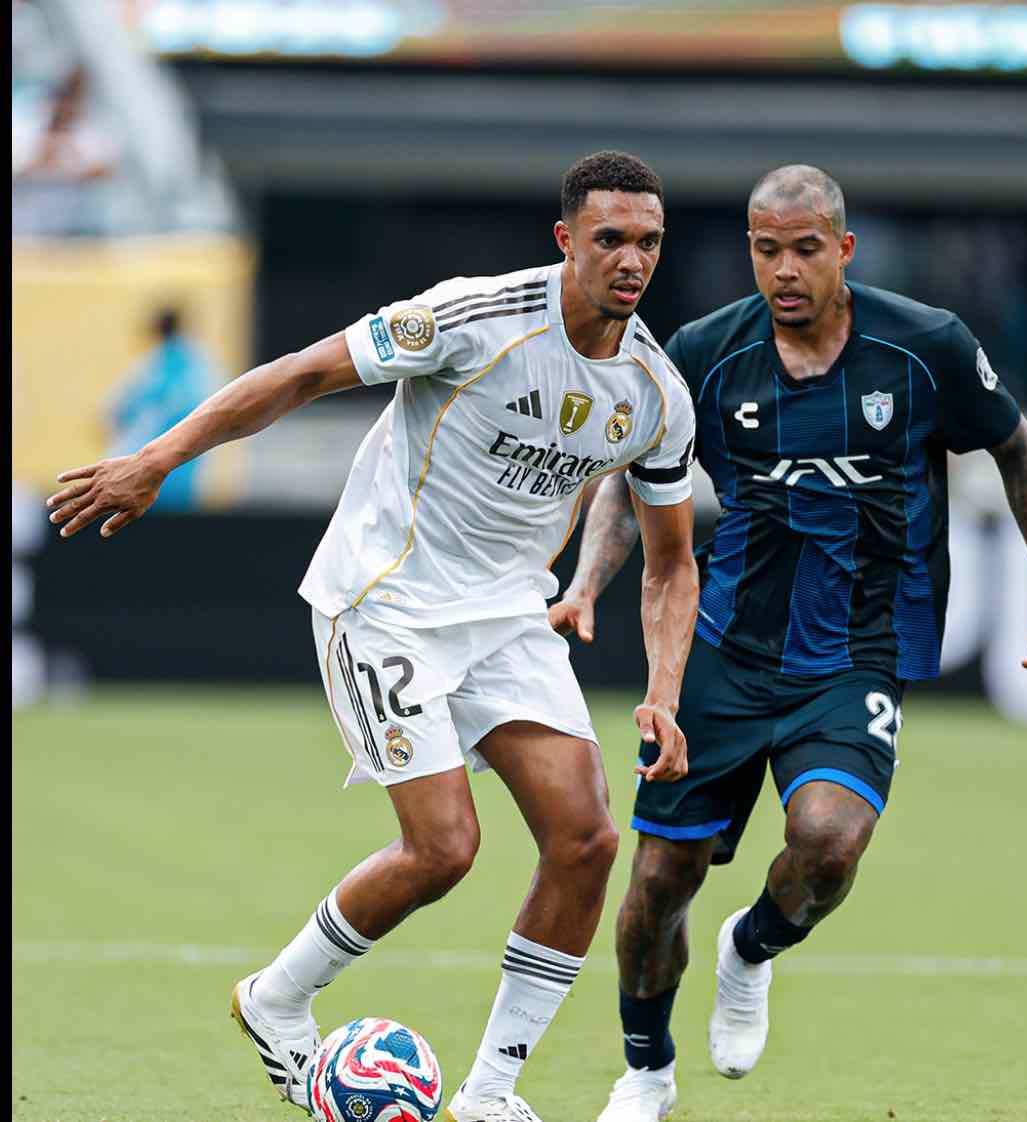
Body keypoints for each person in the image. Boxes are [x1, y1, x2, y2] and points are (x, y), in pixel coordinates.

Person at [46, 151, 699, 1122]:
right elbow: (302, 373)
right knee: (444, 848)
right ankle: (276, 998)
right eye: (610, 238)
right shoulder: (473, 317)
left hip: (506, 618)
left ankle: (489, 1092)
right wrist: (158, 459)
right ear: (567, 240)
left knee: (586, 840)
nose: (631, 259)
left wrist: (664, 691)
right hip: (384, 599)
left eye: (648, 241)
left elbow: (671, 561)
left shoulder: (655, 392)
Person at [549, 164, 1027, 1122]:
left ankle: (751, 948)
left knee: (829, 843)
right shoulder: (705, 353)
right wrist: (585, 582)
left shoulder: (925, 346)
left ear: (843, 250)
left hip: (856, 654)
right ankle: (645, 1071)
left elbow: (1019, 449)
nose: (785, 270)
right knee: (659, 880)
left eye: (805, 249)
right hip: (723, 650)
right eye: (766, 251)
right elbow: (632, 474)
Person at [105, 307, 218, 510]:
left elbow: (121, 409)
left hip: (156, 453)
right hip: (187, 453)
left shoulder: (157, 364)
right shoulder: (198, 363)